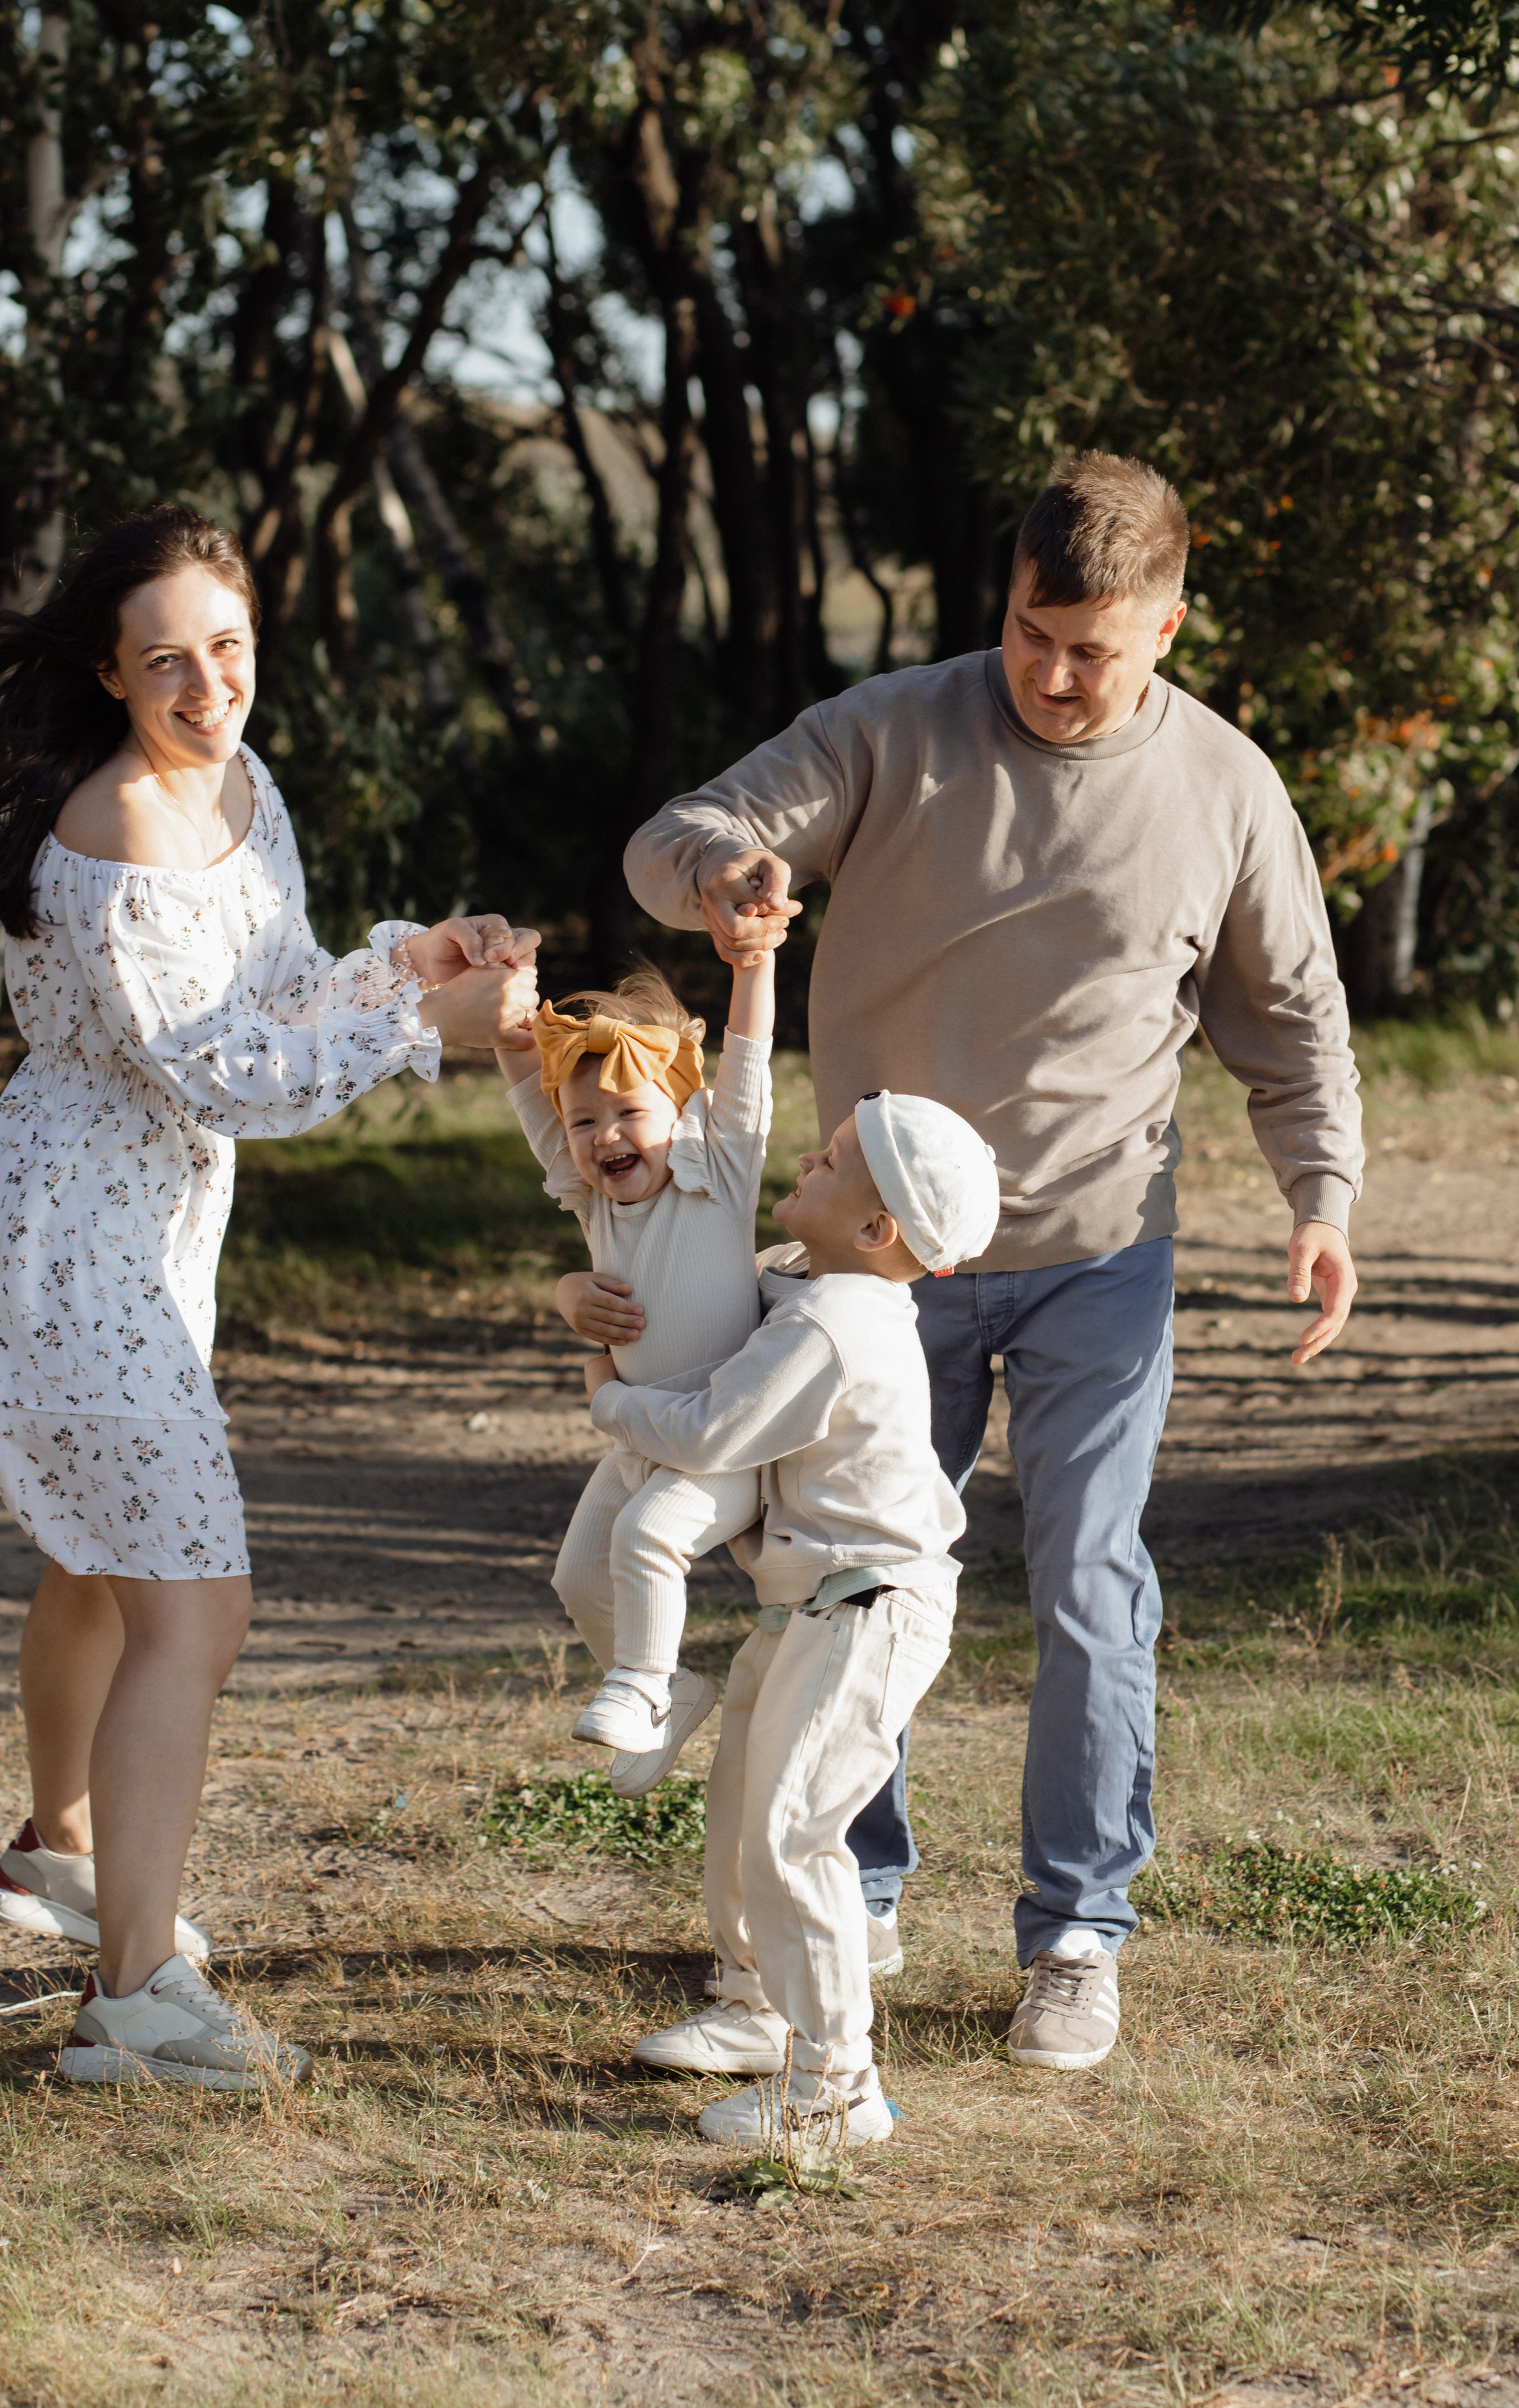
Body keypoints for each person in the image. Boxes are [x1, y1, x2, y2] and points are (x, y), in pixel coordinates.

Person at [623, 450, 1365, 2073]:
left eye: (1092, 647)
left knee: (1091, 1582)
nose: (1050, 671)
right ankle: (857, 1884)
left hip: (1103, 1254)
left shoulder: (1227, 789)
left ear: (1168, 624)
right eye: (1033, 630)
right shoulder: (894, 731)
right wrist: (728, 877)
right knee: (841, 1577)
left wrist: (1322, 1200)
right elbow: (679, 833)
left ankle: (1078, 1930)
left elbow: (1294, 1018)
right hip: (880, 1279)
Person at [0, 505, 537, 2088]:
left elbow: (275, 991)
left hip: (140, 1239)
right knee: (196, 1599)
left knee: (103, 1563)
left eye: (230, 650)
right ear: (114, 675)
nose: (208, 688)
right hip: (68, 1248)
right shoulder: (118, 826)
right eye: (169, 662)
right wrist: (426, 1032)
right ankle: (136, 2002)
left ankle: (61, 1857)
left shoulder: (245, 788)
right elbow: (225, 1076)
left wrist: (405, 966)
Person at [591, 1092, 997, 2143]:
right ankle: (758, 2010)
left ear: (878, 1233)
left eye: (829, 1162)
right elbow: (729, 1279)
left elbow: (713, 1429)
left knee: (793, 1836)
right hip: (808, 1609)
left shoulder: (835, 1321)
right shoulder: (816, 1285)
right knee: (740, 1817)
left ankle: (833, 2093)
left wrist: (607, 1394)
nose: (807, 1160)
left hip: (866, 1611)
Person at [495, 921, 776, 1791]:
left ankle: (641, 1682)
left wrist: (753, 964)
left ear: (684, 1112)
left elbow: (750, 1063)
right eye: (585, 1121)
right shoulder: (594, 1202)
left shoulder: (719, 1173)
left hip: (724, 1438)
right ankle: (674, 1691)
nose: (603, 1135)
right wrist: (512, 1007)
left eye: (628, 1112)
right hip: (639, 1439)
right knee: (580, 1577)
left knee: (651, 1538)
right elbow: (528, 1092)